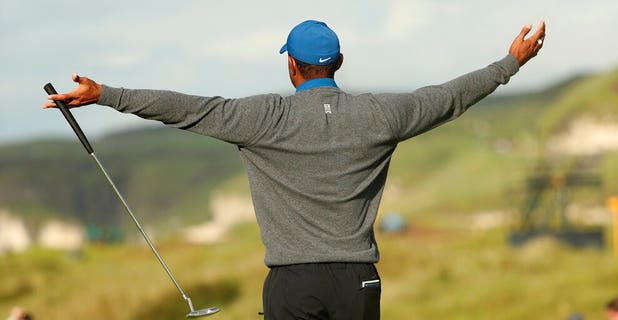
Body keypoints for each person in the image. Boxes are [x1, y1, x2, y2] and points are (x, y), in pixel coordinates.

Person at [44, 19, 546, 319]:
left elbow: (184, 107)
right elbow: (449, 97)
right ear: (339, 61)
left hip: (292, 283)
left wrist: (105, 94)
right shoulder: (381, 115)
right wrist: (510, 63)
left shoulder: (266, 117)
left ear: (292, 66)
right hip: (359, 282)